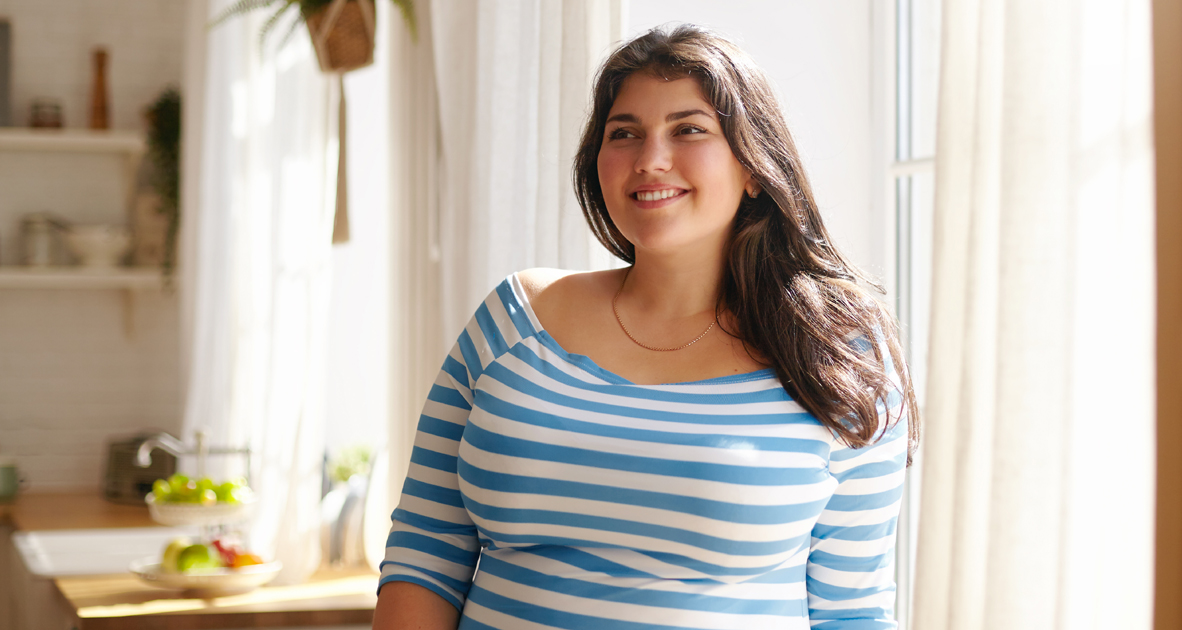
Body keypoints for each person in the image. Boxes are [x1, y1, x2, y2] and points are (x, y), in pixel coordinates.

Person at [373, 24, 920, 630]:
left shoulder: (839, 357)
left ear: (755, 168)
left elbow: (853, 612)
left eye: (688, 129)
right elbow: (425, 554)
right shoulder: (512, 321)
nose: (650, 158)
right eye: (624, 133)